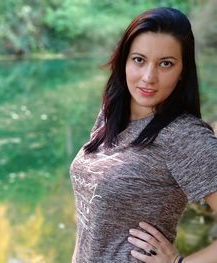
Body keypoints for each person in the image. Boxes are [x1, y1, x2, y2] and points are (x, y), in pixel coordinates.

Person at [70, 7, 217, 263]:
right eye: (139, 60)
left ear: (182, 71)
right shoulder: (111, 114)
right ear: (124, 61)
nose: (149, 77)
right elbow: (89, 227)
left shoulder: (184, 137)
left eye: (166, 64)